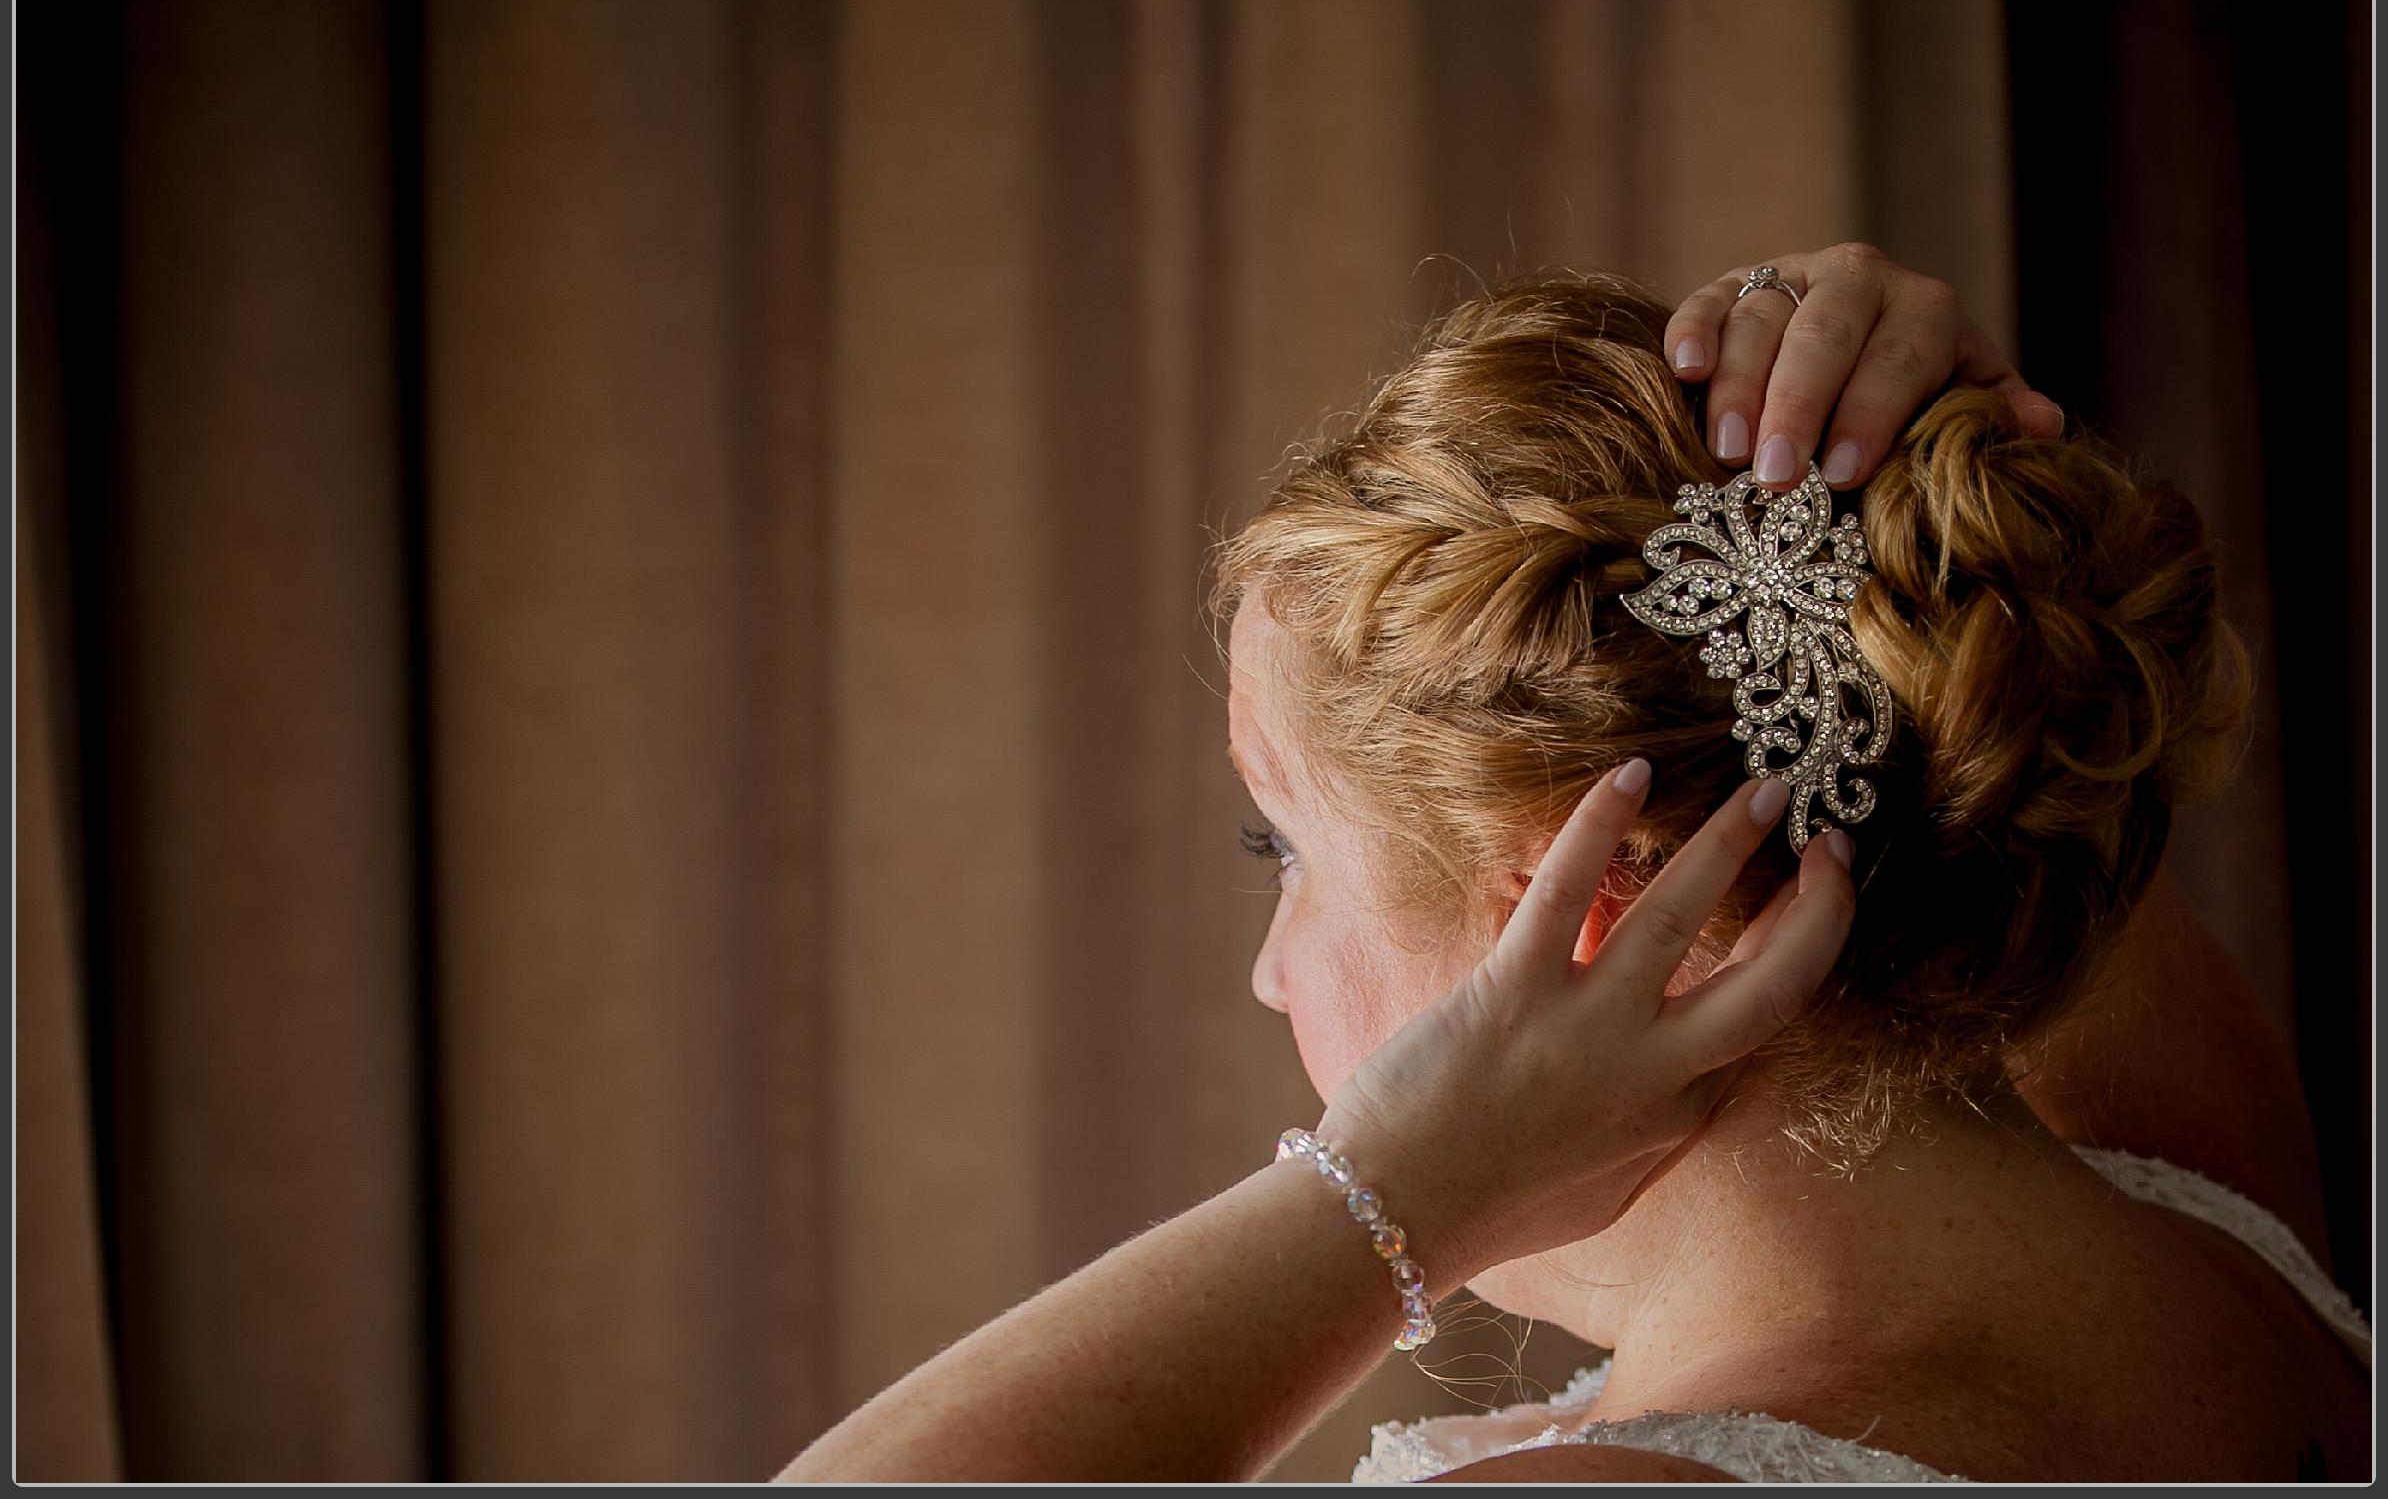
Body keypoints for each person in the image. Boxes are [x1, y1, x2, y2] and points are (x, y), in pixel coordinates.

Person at [778, 244, 2369, 1483]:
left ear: (1608, 902)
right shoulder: (2192, 1167)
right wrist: (1891, 484)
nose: (1266, 969)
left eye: (1287, 847)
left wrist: (1397, 1190)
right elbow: (1966, 737)